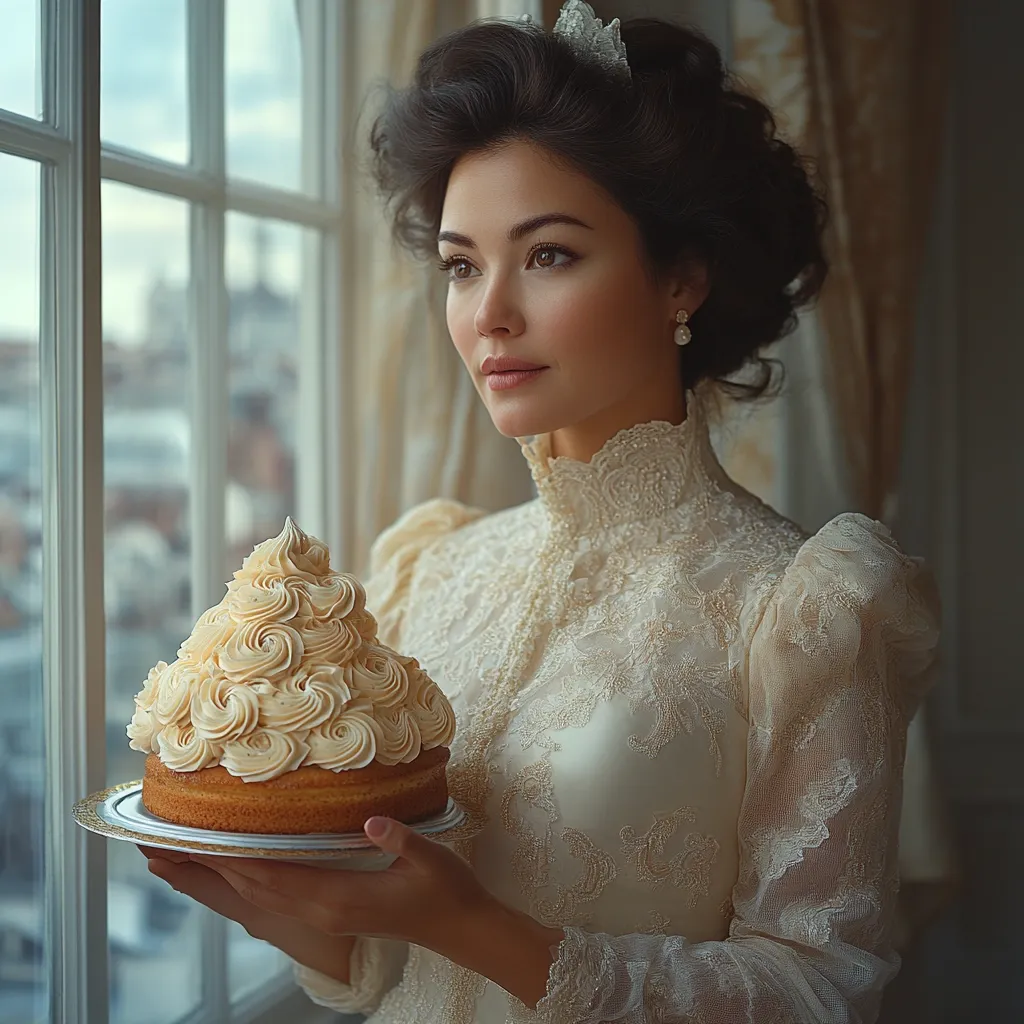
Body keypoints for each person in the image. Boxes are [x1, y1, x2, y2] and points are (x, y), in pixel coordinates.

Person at [141, 3, 941, 1021]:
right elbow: (387, 970)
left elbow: (817, 990)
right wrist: (265, 898)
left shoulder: (805, 606)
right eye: (462, 265)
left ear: (680, 280)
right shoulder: (429, 569)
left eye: (549, 254)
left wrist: (470, 923)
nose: (489, 314)